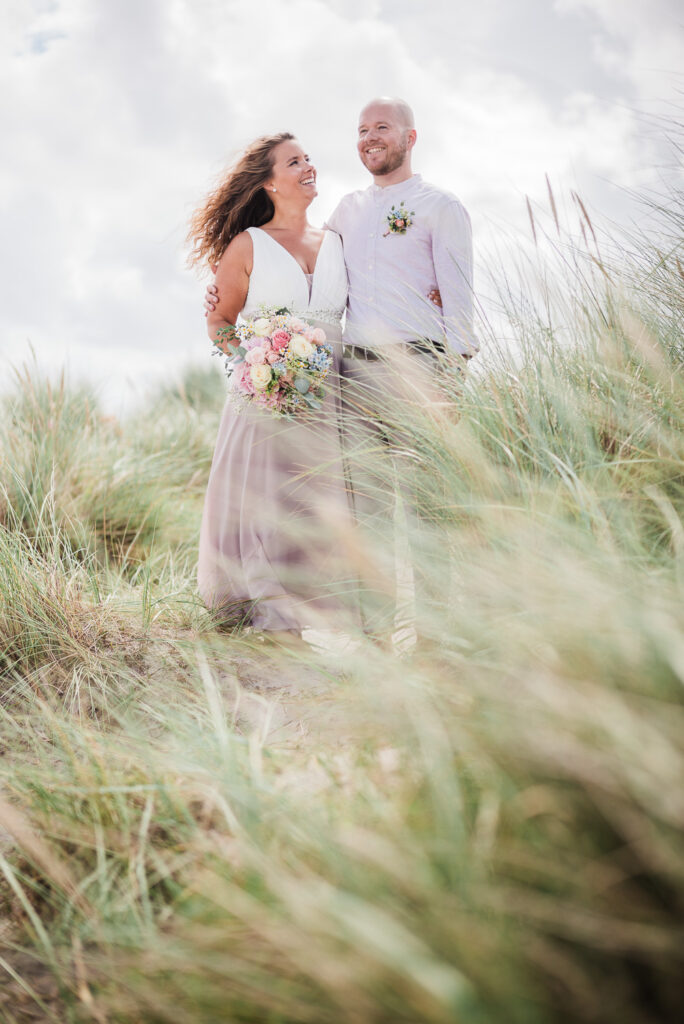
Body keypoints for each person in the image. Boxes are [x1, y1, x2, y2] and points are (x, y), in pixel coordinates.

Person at [205, 98, 478, 642]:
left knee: (425, 510)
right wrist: (224, 305)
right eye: (362, 130)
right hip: (350, 378)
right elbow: (279, 272)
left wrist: (453, 376)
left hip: (421, 369)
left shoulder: (440, 207)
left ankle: (437, 640)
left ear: (410, 137)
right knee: (367, 513)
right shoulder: (345, 215)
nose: (370, 138)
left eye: (383, 127)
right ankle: (377, 641)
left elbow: (460, 301)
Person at [189, 132, 351, 643]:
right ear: (268, 182)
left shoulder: (337, 242)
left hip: (332, 395)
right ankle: (274, 620)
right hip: (266, 395)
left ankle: (321, 614)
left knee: (319, 502)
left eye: (308, 159)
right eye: (294, 161)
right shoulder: (248, 245)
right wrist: (260, 364)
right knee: (268, 503)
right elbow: (220, 321)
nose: (309, 167)